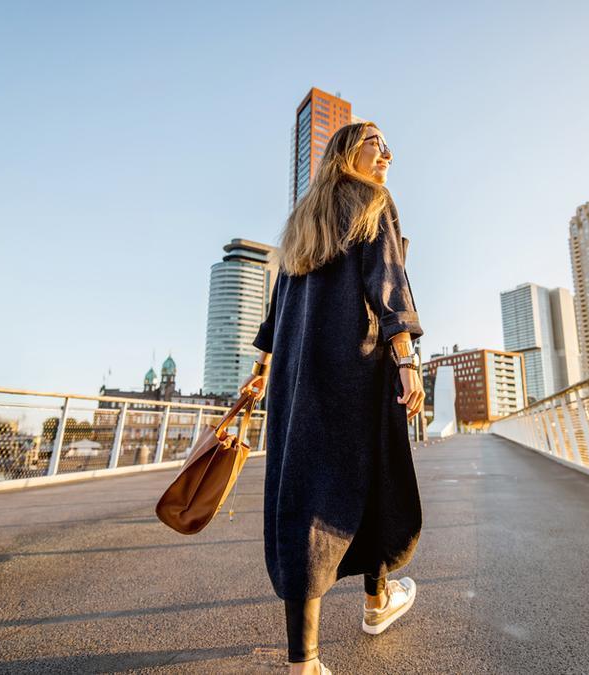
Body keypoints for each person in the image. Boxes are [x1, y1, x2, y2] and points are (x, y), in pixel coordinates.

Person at [239, 121, 424, 674]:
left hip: (297, 381)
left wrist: (262, 370)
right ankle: (376, 601)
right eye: (376, 143)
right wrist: (407, 359)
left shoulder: (302, 219)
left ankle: (305, 662)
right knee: (377, 481)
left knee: (302, 497)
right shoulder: (373, 199)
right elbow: (387, 281)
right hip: (356, 370)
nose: (387, 153)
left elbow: (278, 308)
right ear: (348, 152)